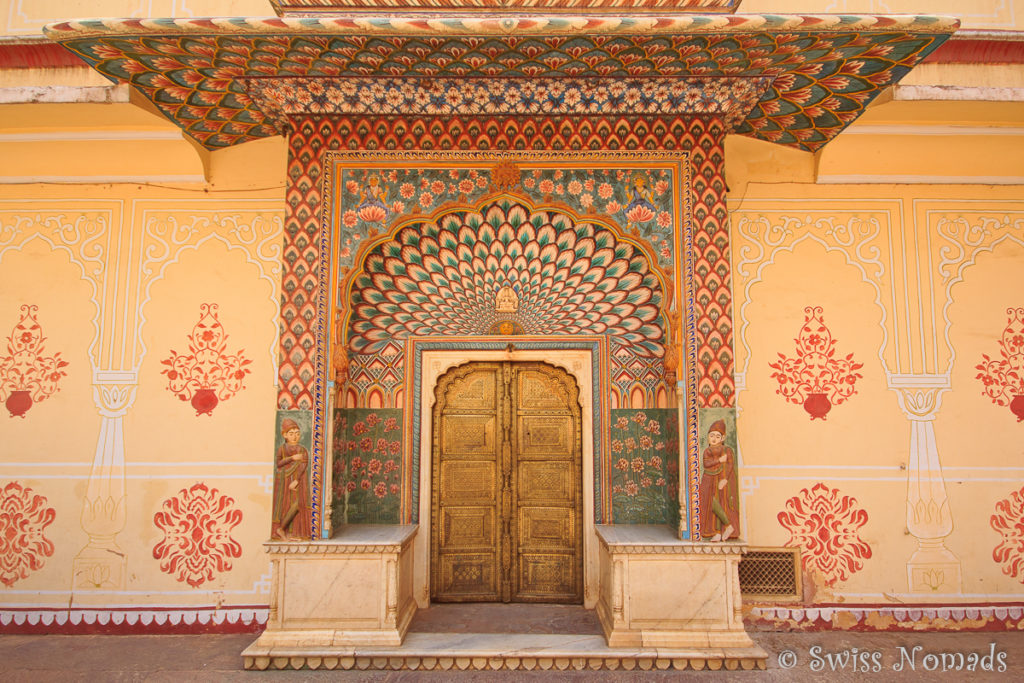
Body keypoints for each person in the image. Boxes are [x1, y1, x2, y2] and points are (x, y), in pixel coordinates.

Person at [699, 419, 739, 541]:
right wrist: (719, 460)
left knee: (720, 503)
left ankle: (726, 527)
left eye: (717, 436)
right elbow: (706, 463)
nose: (714, 439)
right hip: (709, 479)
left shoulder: (726, 450)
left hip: (721, 478)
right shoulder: (707, 451)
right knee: (709, 503)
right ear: (707, 437)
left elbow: (730, 465)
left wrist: (725, 479)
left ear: (723, 438)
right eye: (712, 436)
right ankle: (716, 531)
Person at [272, 418, 311, 540]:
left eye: (297, 433)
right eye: (291, 434)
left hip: (298, 480)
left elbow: (304, 464)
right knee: (286, 505)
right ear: (284, 435)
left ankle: (290, 531)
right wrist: (292, 458)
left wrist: (296, 481)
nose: (294, 437)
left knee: (298, 504)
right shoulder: (282, 449)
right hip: (284, 480)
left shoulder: (302, 449)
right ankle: (283, 530)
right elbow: (278, 463)